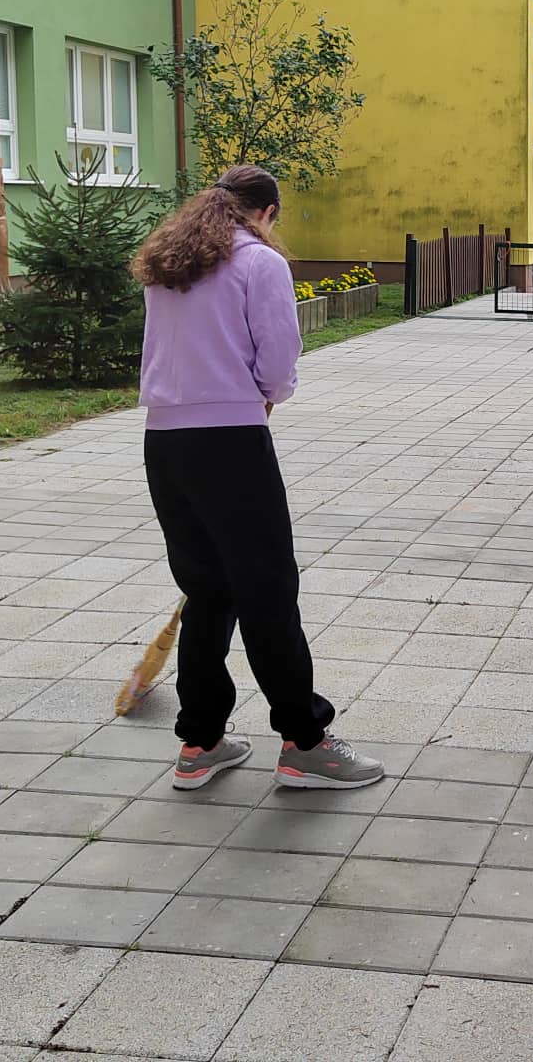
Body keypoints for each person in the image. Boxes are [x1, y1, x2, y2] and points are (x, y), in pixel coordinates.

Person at [133, 165, 386, 792]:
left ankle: (200, 742)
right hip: (231, 441)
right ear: (268, 212)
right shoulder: (260, 262)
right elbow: (277, 355)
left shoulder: (169, 263)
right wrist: (269, 394)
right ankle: (305, 744)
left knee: (207, 592)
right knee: (267, 592)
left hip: (164, 441)